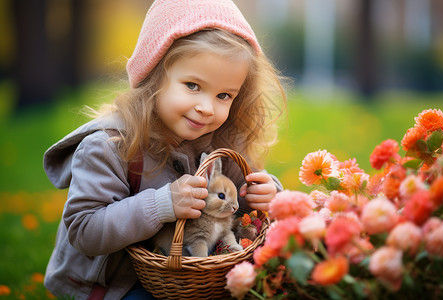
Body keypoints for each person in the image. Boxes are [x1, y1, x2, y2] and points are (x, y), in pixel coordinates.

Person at [43, 0, 287, 299]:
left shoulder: (221, 141)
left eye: (224, 95)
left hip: (191, 279)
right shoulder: (111, 146)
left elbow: (234, 205)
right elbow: (84, 230)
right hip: (117, 285)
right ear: (155, 75)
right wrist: (162, 205)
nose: (206, 108)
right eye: (193, 86)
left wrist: (267, 194)